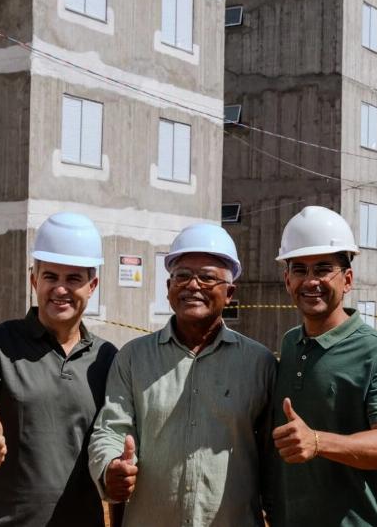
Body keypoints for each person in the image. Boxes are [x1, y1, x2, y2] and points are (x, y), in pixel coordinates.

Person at [88, 223, 277, 527]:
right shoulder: (133, 358)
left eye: (207, 277)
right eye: (183, 276)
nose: (193, 285)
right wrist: (110, 465)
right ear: (168, 288)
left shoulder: (259, 363)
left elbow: (272, 456)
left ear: (229, 293)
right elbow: (111, 428)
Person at [0, 212, 121, 526]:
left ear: (92, 285)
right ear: (34, 279)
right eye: (51, 276)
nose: (60, 289)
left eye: (73, 279)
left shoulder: (107, 358)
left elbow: (116, 447)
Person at [267, 206, 377, 527]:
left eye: (323, 269)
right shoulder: (290, 344)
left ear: (347, 280)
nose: (310, 281)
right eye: (299, 269)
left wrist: (317, 442)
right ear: (287, 280)